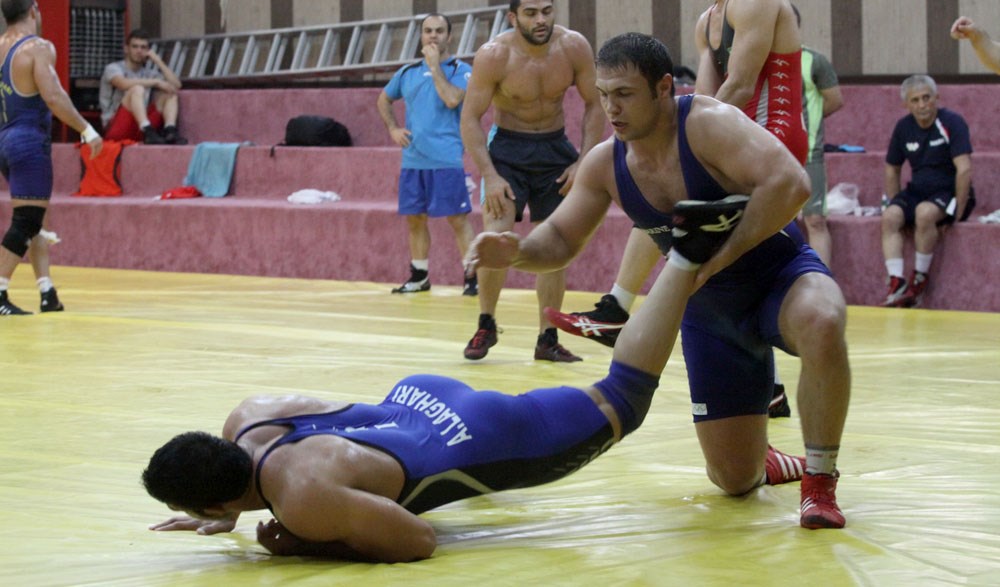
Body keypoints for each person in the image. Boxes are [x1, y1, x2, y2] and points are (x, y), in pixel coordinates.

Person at [144, 242, 809, 561]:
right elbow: (252, 464)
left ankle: (686, 257)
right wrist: (230, 512)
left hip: (471, 434)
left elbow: (416, 541)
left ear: (215, 504)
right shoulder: (248, 415)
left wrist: (303, 544)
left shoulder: (302, 498)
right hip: (416, 395)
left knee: (623, 399)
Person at [468, 33, 850, 530]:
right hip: (710, 312)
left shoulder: (707, 123)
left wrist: (720, 257)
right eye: (604, 95)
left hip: (778, 276)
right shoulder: (606, 162)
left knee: (823, 320)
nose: (612, 108)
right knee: (734, 479)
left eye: (624, 94)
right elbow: (560, 238)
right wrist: (517, 251)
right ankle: (770, 461)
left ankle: (819, 481)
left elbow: (791, 183)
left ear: (664, 87)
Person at [548, 0, 808, 416]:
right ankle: (766, 385)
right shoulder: (708, 20)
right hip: (735, 132)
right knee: (664, 195)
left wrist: (682, 148)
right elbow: (703, 100)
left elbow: (738, 87)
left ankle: (617, 306)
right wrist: (671, 147)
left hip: (773, 137)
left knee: (672, 197)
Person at [459, 0, 605, 362]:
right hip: (508, 150)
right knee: (496, 236)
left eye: (547, 11)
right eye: (531, 13)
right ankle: (486, 323)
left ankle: (547, 338)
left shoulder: (573, 47)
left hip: (555, 150)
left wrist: (583, 161)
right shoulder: (494, 55)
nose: (541, 20)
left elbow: (595, 104)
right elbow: (470, 118)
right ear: (513, 18)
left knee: (554, 245)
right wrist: (490, 175)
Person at [1, 0, 102, 315]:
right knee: (28, 219)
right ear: (34, 10)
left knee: (37, 217)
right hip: (29, 141)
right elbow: (54, 97)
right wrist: (86, 130)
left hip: (5, 140)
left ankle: (47, 291)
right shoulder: (38, 48)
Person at [376, 14, 477, 296]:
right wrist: (393, 128)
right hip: (413, 159)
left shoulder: (462, 71)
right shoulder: (407, 72)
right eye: (428, 31)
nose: (433, 35)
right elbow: (384, 99)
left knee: (457, 219)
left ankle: (472, 277)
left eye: (439, 31)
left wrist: (434, 67)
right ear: (421, 36)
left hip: (446, 158)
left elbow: (452, 99)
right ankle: (419, 276)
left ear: (449, 36)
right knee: (415, 219)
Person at [881, 74, 974, 308]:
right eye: (915, 100)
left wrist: (958, 213)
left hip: (948, 191)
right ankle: (896, 283)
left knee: (924, 213)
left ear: (937, 97)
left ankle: (919, 280)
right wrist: (895, 202)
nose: (922, 105)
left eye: (926, 98)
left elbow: (964, 169)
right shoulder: (903, 127)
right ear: (906, 104)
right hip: (918, 191)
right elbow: (892, 169)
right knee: (890, 216)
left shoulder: (952, 123)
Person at [795, 5, 843, 268]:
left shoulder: (814, 61)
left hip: (809, 153)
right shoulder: (760, 63)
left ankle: (821, 280)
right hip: (771, 155)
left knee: (815, 220)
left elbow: (834, 100)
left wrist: (802, 123)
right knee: (775, 225)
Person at [99, 28, 185, 145]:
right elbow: (123, 84)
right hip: (116, 126)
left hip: (142, 129)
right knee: (137, 89)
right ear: (126, 49)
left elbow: (177, 85)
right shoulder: (113, 68)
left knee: (169, 92)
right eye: (135, 47)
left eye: (143, 47)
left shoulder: (149, 73)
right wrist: (156, 82)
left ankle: (170, 130)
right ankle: (147, 129)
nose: (139, 51)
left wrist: (158, 61)